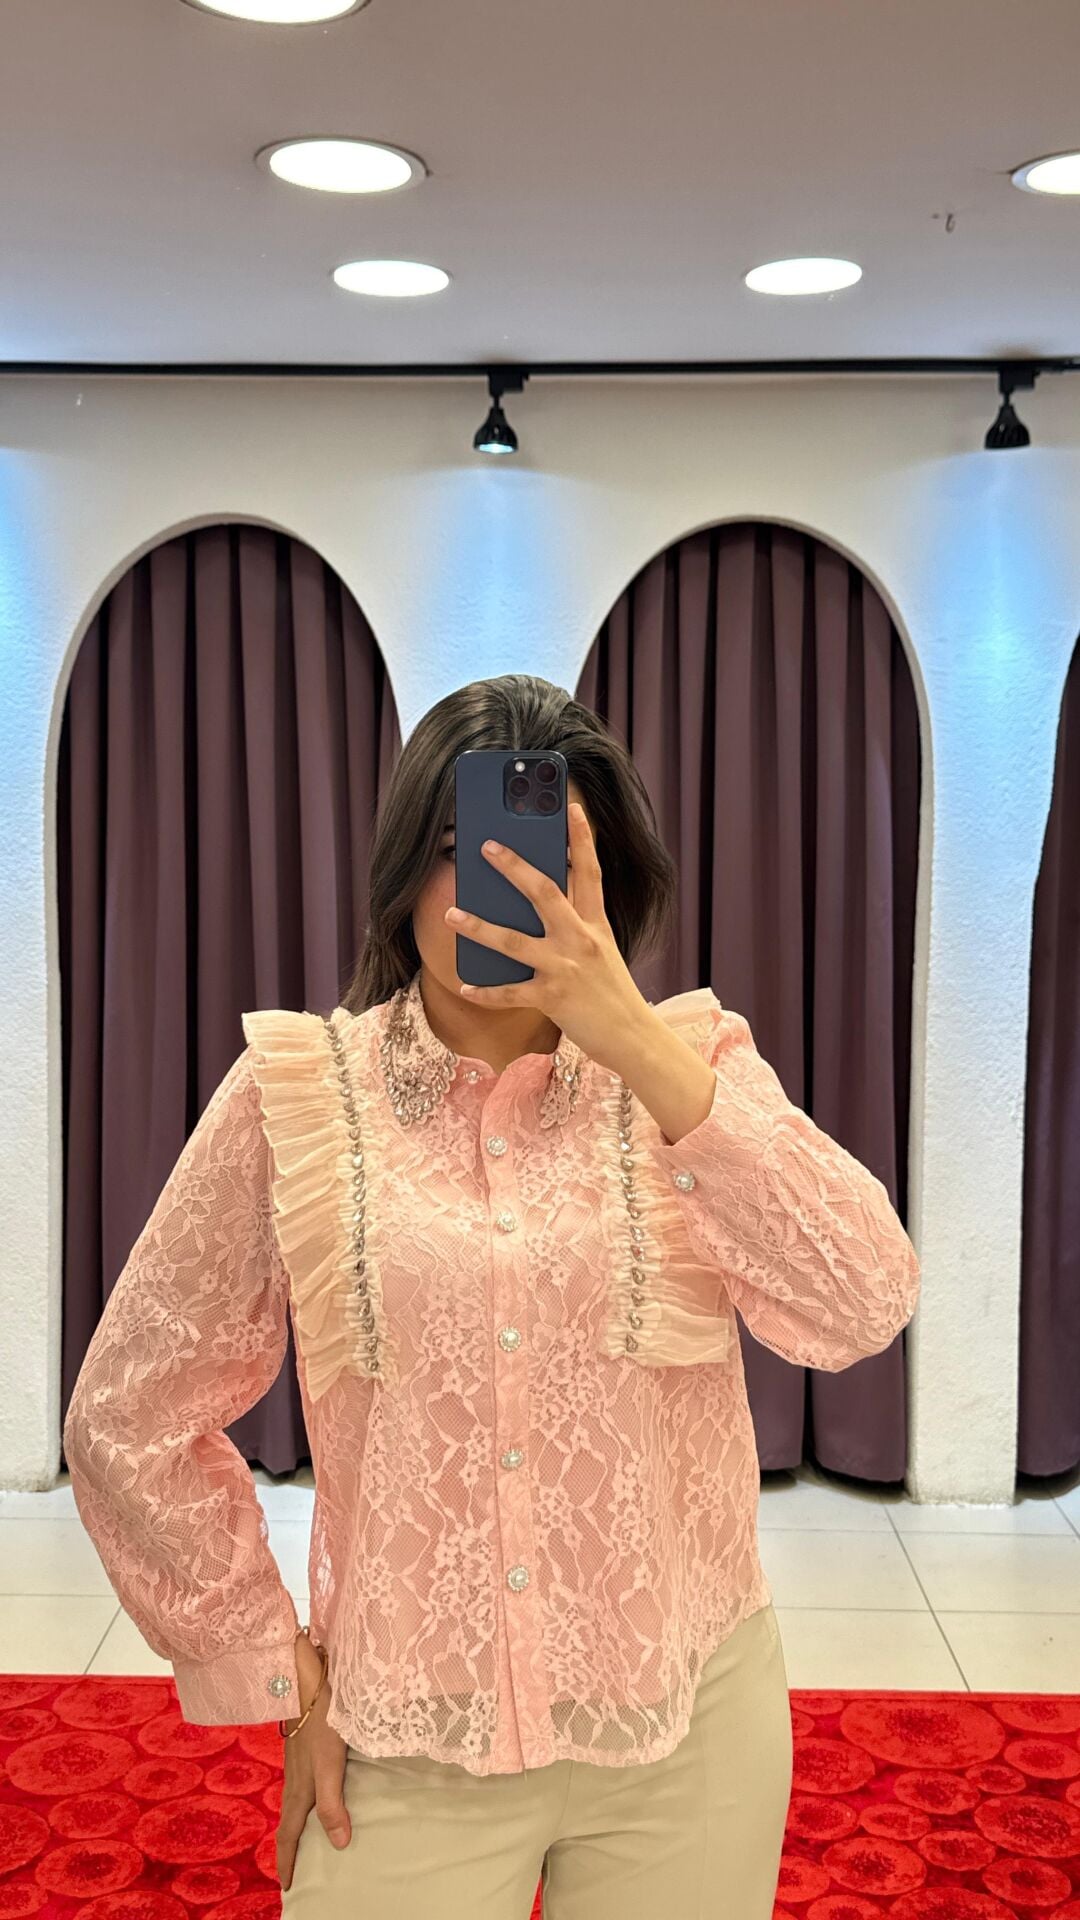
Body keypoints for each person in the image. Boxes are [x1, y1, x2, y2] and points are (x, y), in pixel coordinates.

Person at [63, 672, 921, 1919]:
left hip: (686, 1724)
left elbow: (864, 1297)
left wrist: (631, 1035)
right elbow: (127, 1413)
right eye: (460, 849)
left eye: (543, 861)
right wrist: (275, 1669)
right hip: (410, 1739)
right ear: (404, 868)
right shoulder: (301, 1097)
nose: (496, 891)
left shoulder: (687, 1073)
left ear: (606, 887)